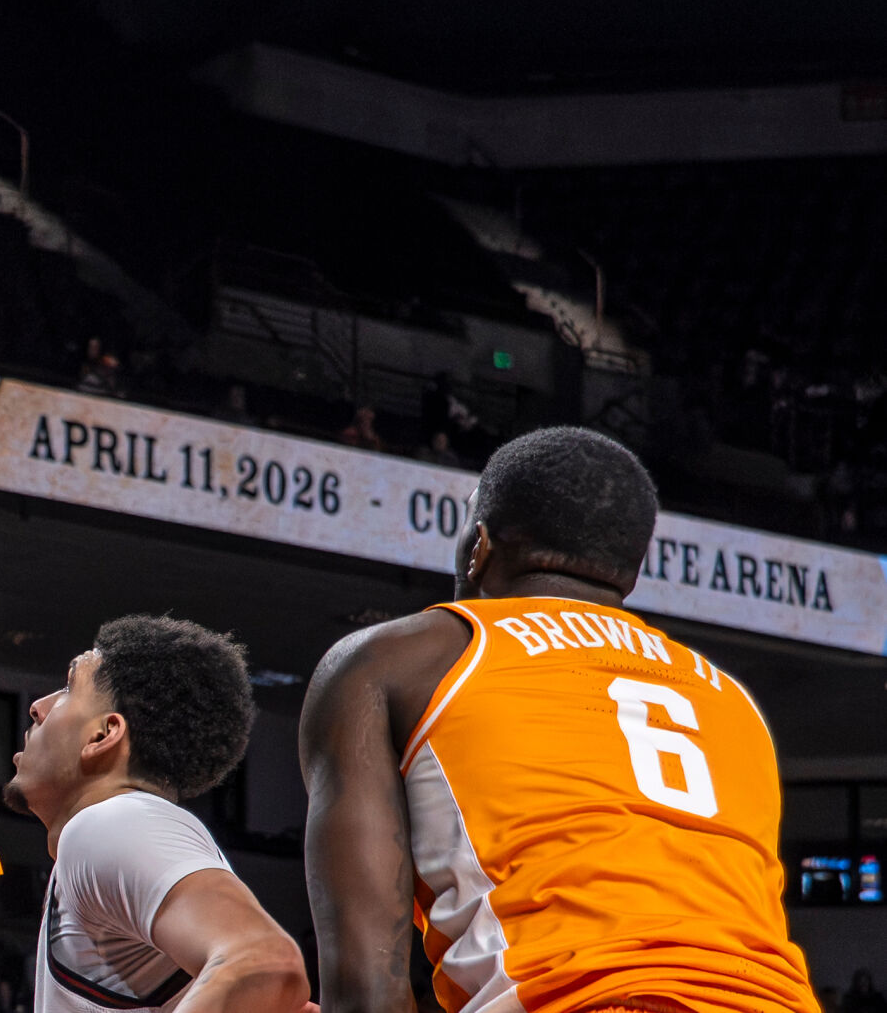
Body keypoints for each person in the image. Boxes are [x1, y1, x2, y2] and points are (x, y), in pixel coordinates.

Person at [298, 426, 820, 1013]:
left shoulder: (395, 660)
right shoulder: (730, 700)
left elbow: (367, 989)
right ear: (628, 571)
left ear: (480, 547)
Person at [0, 616, 311, 1013]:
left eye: (68, 688)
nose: (38, 707)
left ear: (103, 736)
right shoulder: (109, 840)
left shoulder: (112, 824)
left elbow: (264, 961)